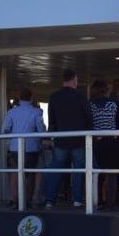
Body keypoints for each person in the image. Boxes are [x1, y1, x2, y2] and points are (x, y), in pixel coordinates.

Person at [42, 69, 93, 208]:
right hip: (78, 140)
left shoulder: (54, 97)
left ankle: (50, 200)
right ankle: (77, 199)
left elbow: (51, 120)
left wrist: (52, 134)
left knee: (56, 169)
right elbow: (89, 118)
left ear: (63, 80)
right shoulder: (81, 97)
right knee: (78, 170)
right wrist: (89, 133)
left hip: (60, 139)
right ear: (74, 80)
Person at [89, 79, 119, 210]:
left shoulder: (90, 104)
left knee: (96, 172)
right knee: (111, 173)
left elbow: (88, 122)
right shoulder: (114, 103)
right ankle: (110, 202)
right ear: (106, 90)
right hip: (112, 141)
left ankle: (97, 200)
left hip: (96, 142)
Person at [2, 87, 46, 207]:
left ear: (19, 98)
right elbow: (41, 130)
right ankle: (28, 201)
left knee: (16, 172)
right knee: (30, 174)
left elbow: (5, 129)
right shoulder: (37, 112)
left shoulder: (11, 112)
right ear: (31, 98)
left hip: (15, 147)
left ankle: (16, 200)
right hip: (32, 148)